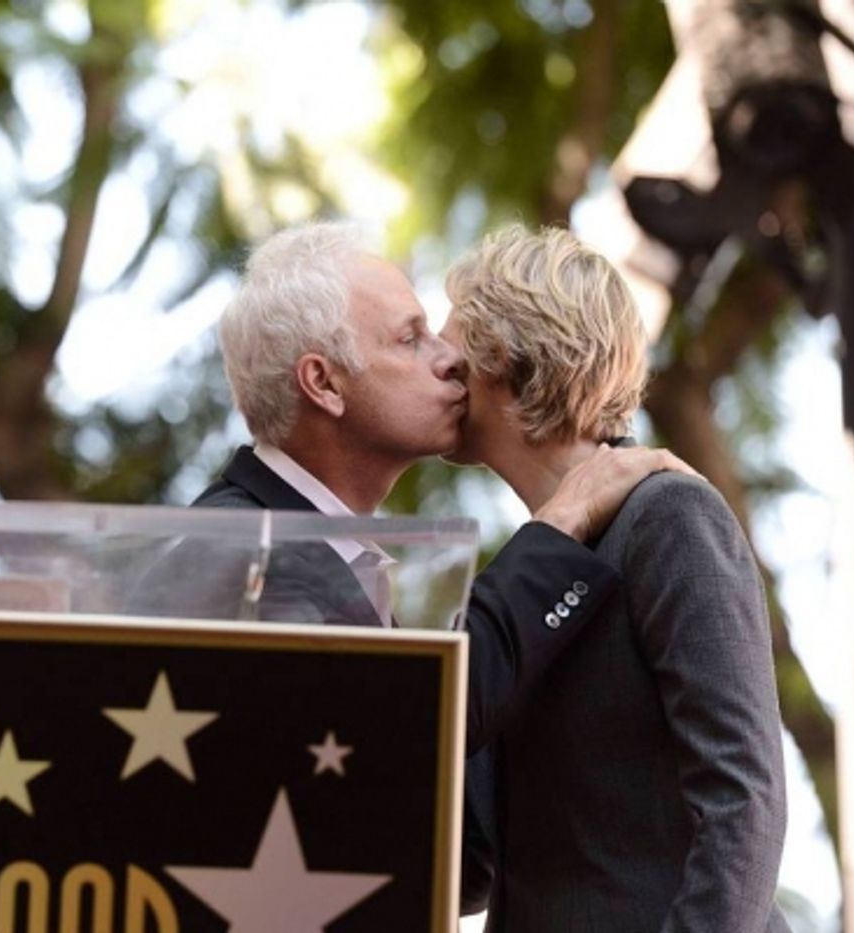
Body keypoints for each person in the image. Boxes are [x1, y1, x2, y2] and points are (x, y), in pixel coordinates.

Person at [192, 222, 691, 756]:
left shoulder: (315, 553)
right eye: (411, 339)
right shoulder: (240, 554)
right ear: (324, 383)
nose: (452, 358)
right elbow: (407, 727)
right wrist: (559, 523)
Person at [441, 225, 788, 931]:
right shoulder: (524, 574)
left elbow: (743, 800)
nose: (437, 368)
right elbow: (476, 863)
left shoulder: (668, 514)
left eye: (446, 343)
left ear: (499, 352)